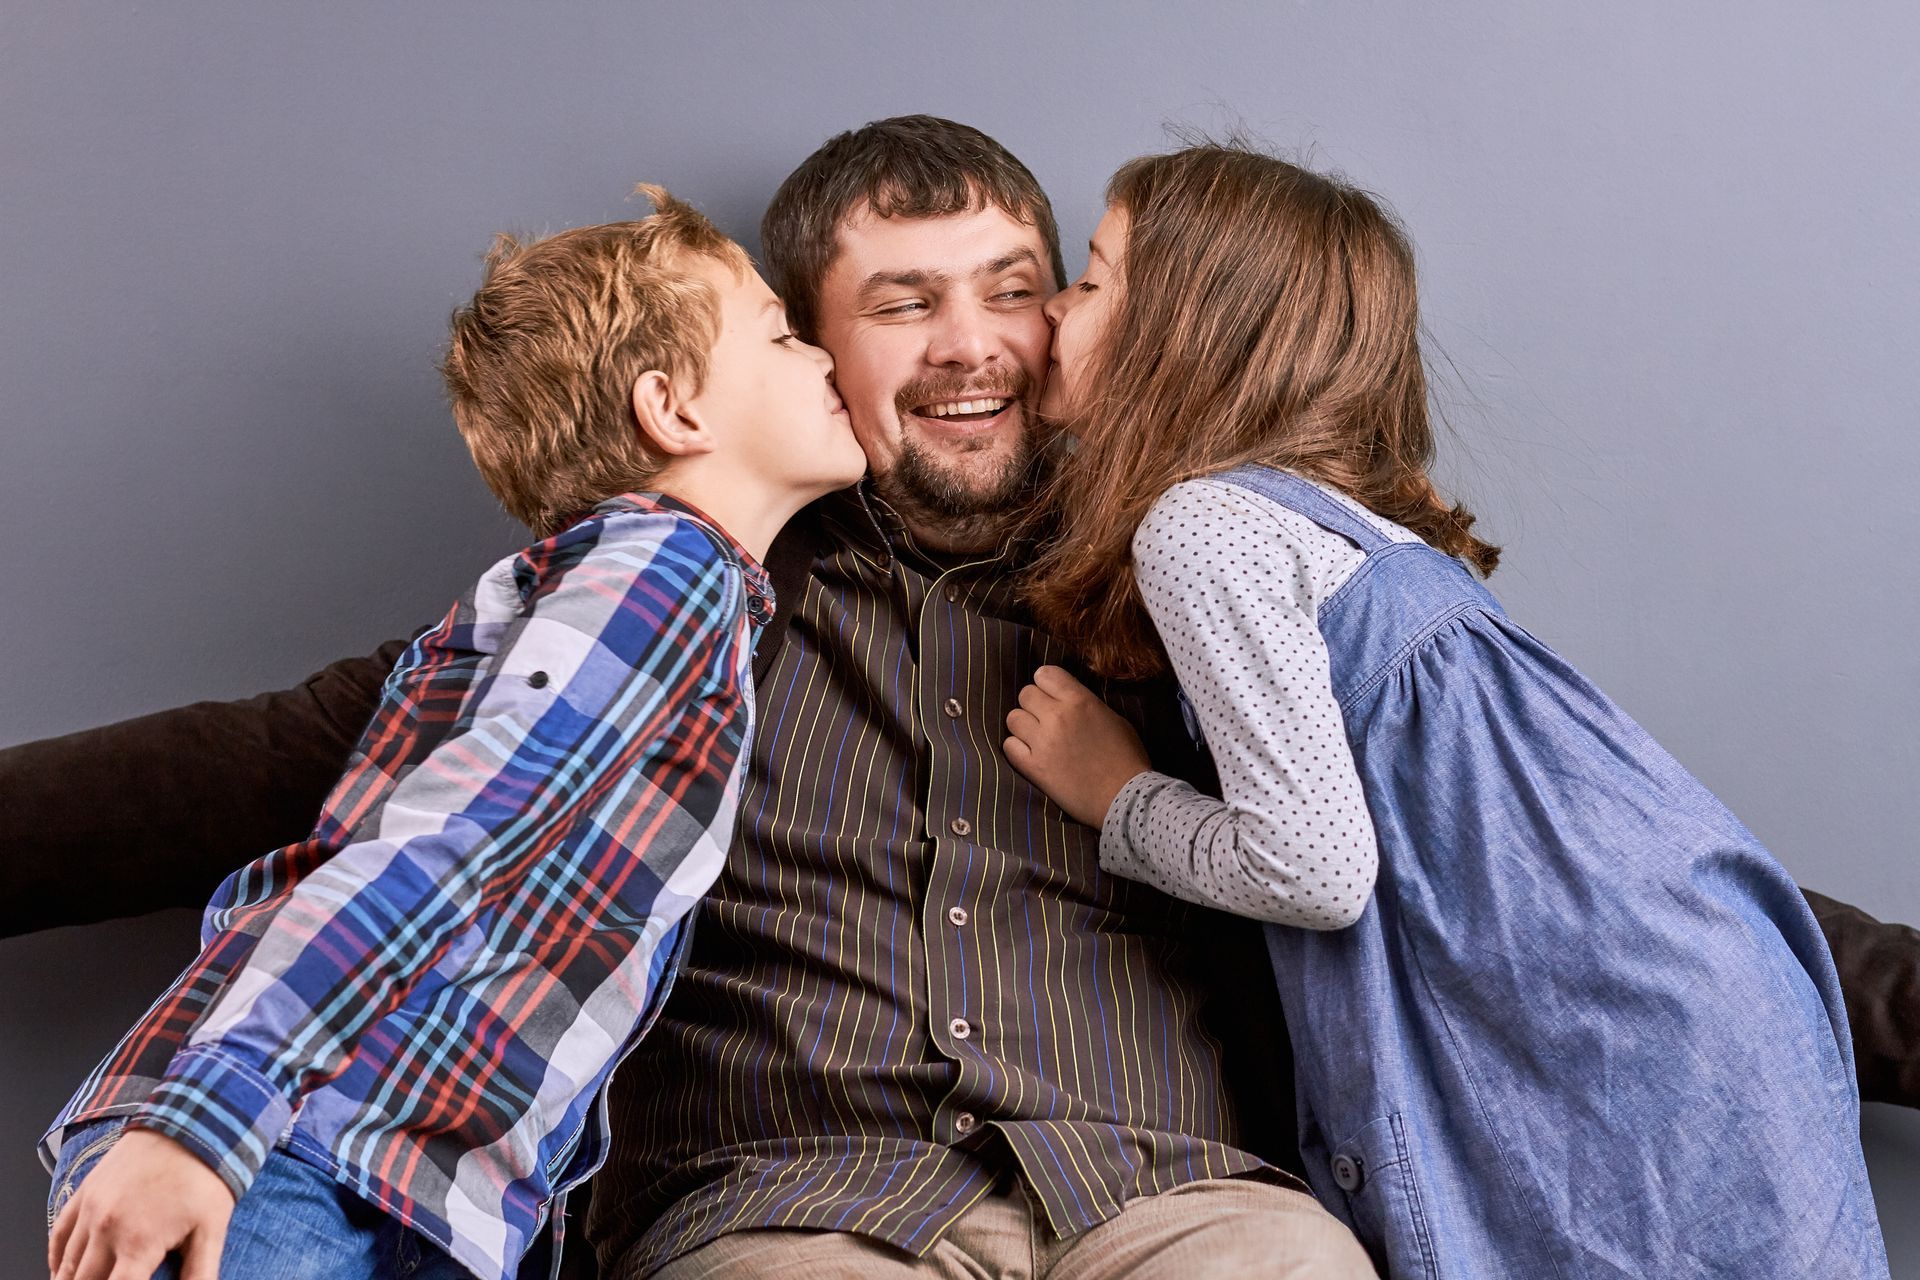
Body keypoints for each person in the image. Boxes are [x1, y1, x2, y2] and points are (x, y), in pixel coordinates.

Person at [5, 118, 1917, 1279]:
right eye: (903, 301)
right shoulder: (668, 605)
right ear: (802, 348)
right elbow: (278, 773)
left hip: (1182, 1198)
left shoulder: (1195, 591)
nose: (980, 344)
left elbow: (1551, 870)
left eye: (1019, 286)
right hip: (783, 1212)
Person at [1006, 143, 1889, 1276]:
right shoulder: (1355, 530)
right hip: (1714, 998)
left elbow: (1315, 870)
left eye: (1089, 278)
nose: (1055, 313)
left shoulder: (1202, 523)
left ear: (1185, 325)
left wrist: (1119, 794)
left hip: (1610, 1045)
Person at [41, 190, 867, 1280]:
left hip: (405, 1190)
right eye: (781, 332)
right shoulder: (662, 573)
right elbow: (454, 838)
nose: (823, 357)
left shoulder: (677, 595)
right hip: (284, 1147)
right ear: (673, 410)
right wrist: (211, 1111)